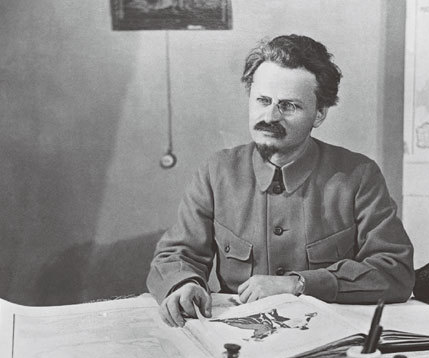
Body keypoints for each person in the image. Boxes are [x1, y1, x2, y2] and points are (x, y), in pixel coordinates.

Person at [147, 34, 414, 327]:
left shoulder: (358, 175)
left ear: (319, 114)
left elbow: (395, 271)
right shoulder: (217, 172)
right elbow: (176, 255)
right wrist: (184, 284)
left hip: (327, 335)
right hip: (240, 337)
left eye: (288, 106)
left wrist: (298, 284)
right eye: (263, 101)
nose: (270, 116)